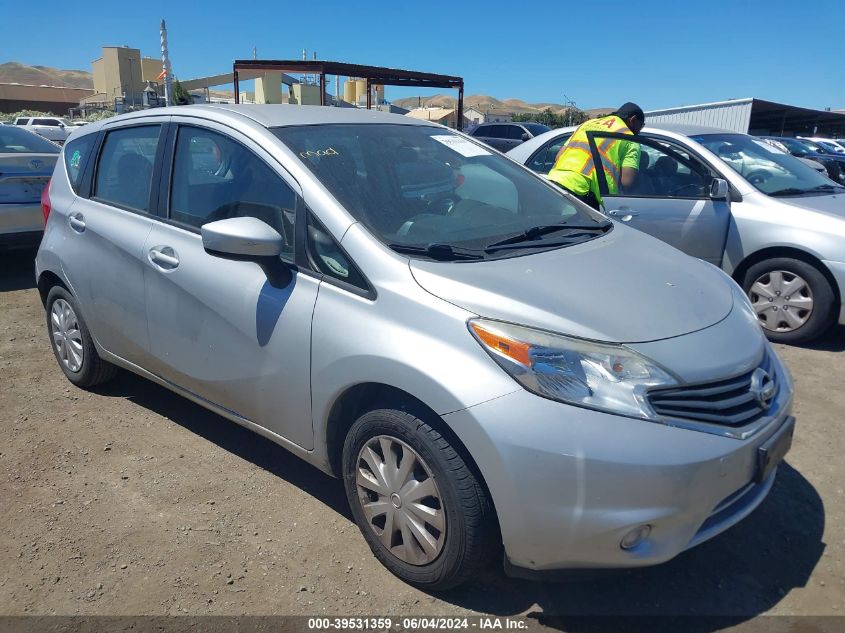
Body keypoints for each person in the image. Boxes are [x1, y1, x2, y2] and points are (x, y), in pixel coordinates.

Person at [547, 102, 645, 210]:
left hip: (553, 183)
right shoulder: (630, 138)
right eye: (641, 126)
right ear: (633, 120)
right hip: (582, 193)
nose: (640, 131)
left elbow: (558, 156)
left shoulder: (587, 124)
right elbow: (627, 182)